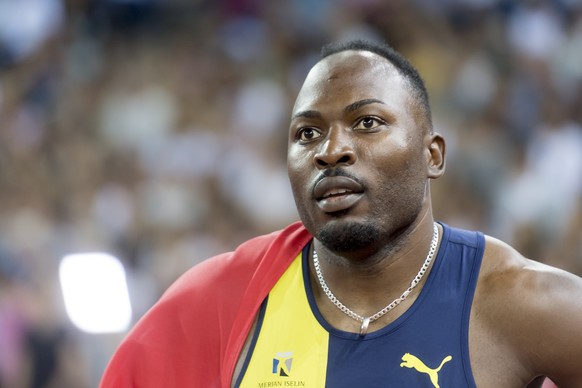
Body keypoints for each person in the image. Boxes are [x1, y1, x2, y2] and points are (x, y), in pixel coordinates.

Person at [100, 39, 582, 388]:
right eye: (306, 134)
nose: (331, 151)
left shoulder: (523, 303)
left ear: (431, 155)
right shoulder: (219, 303)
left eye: (367, 122)